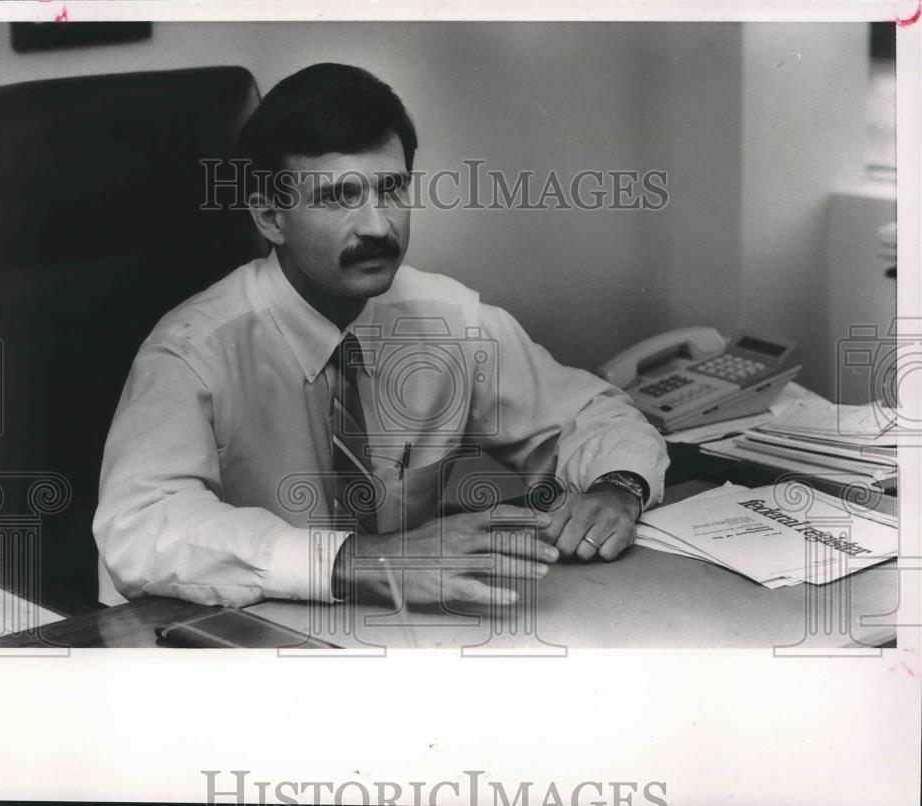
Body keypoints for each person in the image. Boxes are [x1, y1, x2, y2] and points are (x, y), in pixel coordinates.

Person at [93, 63, 669, 608]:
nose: (377, 225)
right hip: (217, 641)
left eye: (390, 189)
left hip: (394, 631)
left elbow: (592, 412)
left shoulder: (446, 319)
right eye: (338, 197)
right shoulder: (192, 350)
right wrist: (359, 560)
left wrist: (617, 488)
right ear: (271, 217)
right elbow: (139, 526)